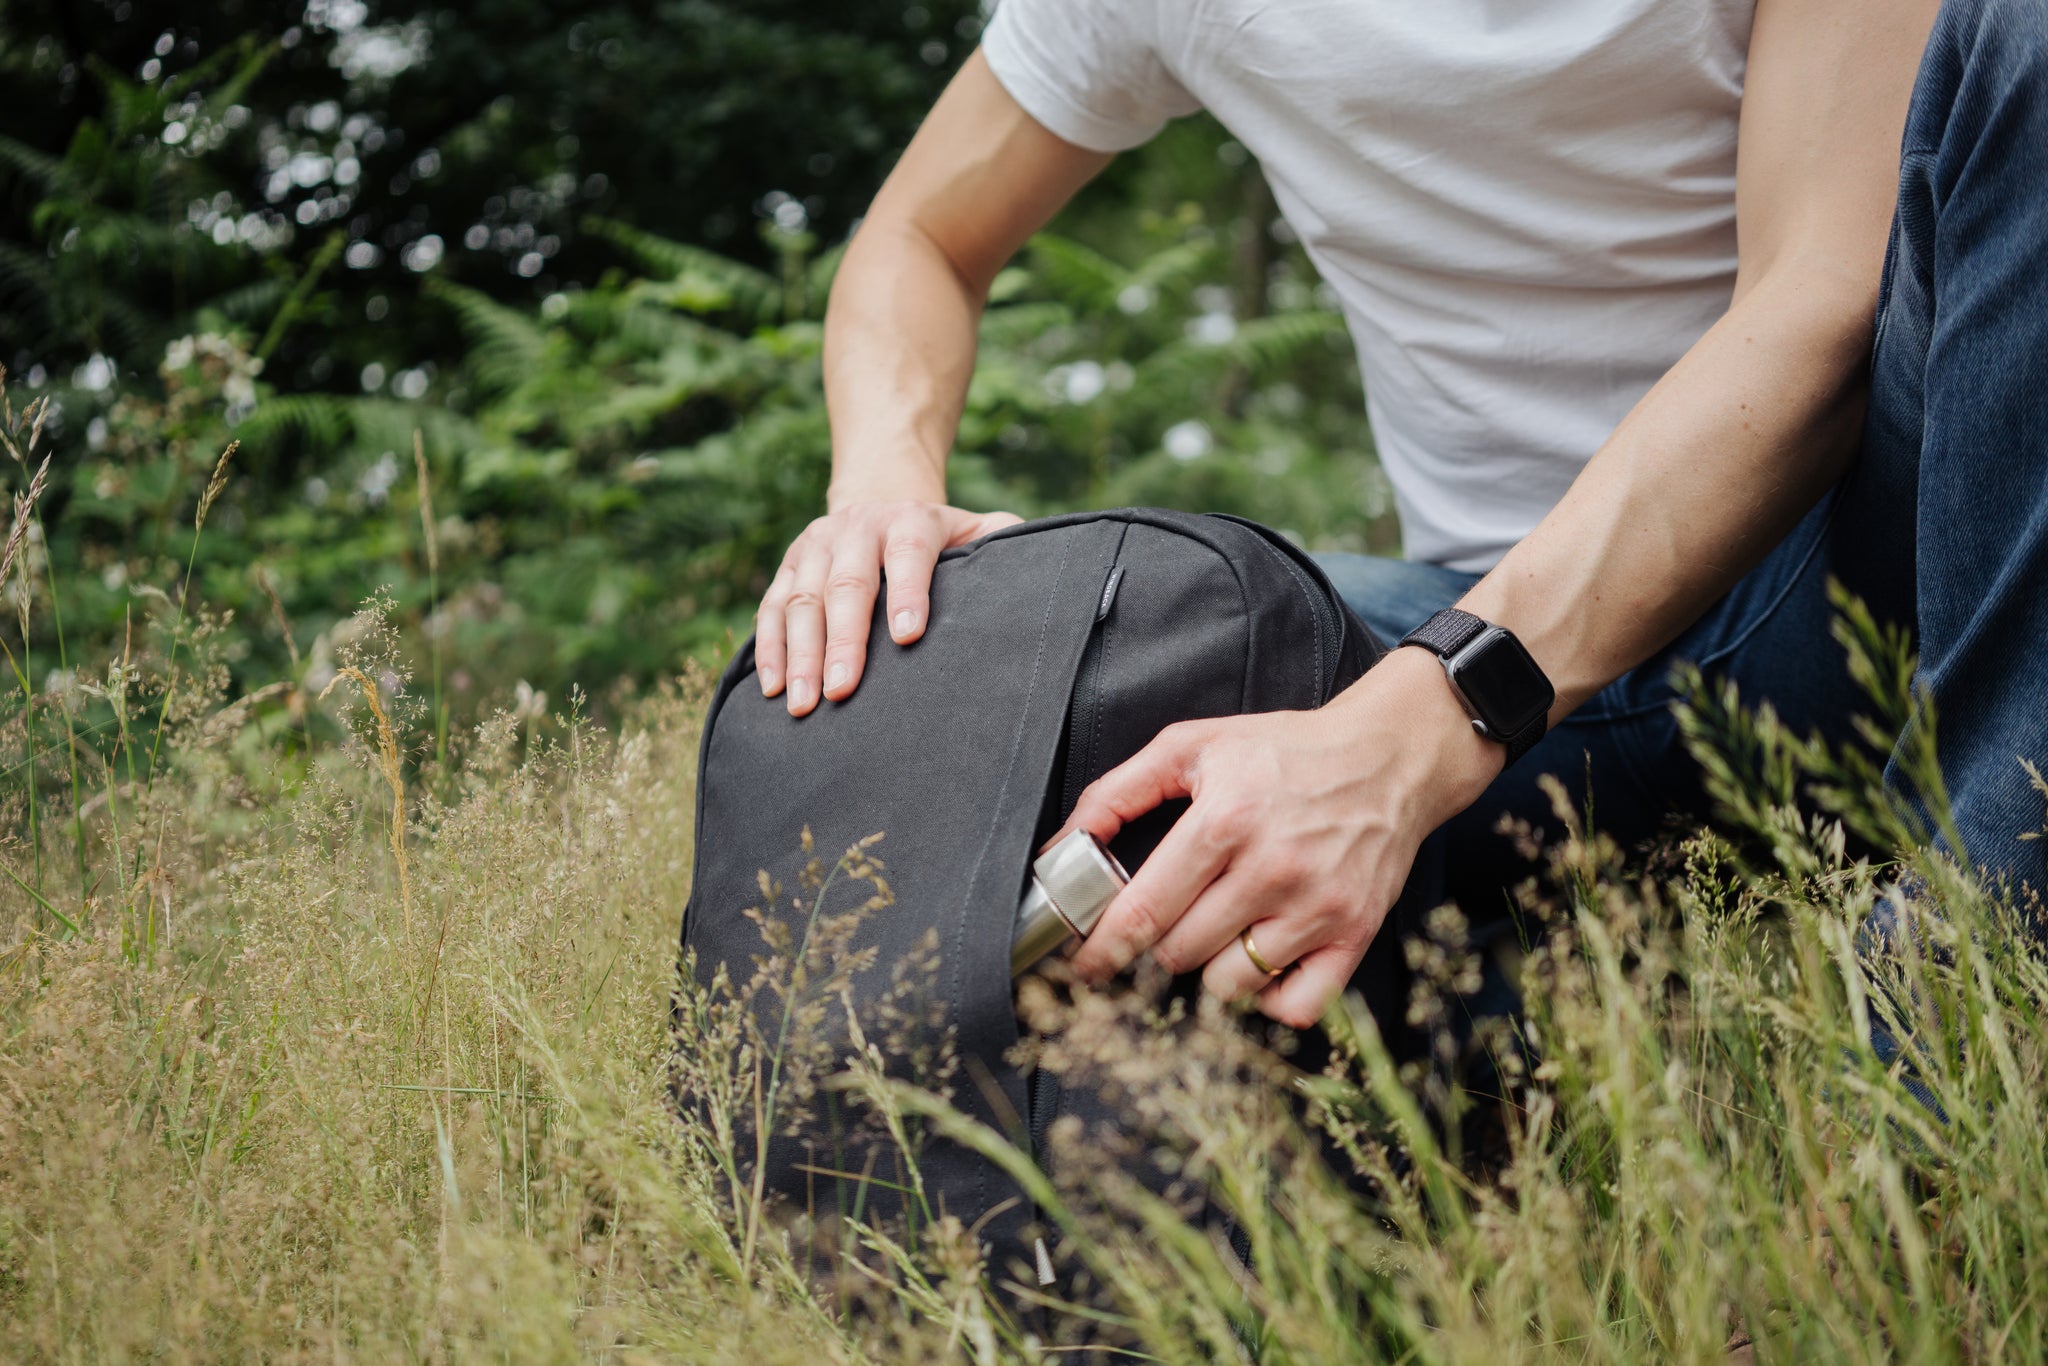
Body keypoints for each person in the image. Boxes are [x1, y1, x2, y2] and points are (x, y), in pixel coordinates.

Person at [752, 0, 2048, 1035]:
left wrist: (1420, 724)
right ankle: (1529, 1023)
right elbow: (917, 237)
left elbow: (1818, 304)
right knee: (1040, 668)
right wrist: (881, 487)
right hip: (1476, 611)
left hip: (1859, 582)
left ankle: (1954, 1014)